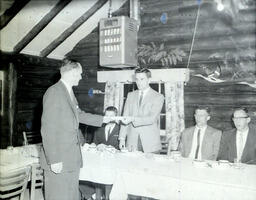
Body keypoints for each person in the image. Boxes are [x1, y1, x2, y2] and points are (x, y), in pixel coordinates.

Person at [40, 59, 113, 200]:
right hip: (58, 158)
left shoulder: (68, 91)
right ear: (71, 73)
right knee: (57, 196)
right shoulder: (54, 92)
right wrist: (54, 159)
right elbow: (48, 129)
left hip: (71, 158)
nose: (80, 77)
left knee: (71, 196)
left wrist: (104, 119)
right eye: (79, 74)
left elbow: (79, 115)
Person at [119, 67, 164, 153]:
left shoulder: (158, 97)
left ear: (149, 80)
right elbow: (125, 117)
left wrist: (132, 119)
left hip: (150, 143)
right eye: (137, 79)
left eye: (142, 79)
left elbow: (151, 119)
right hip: (132, 142)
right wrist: (122, 138)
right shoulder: (130, 95)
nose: (138, 82)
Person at [93, 106, 120, 200]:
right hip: (100, 161)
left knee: (109, 185)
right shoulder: (99, 128)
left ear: (116, 116)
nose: (109, 117)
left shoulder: (121, 129)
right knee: (97, 180)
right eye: (107, 115)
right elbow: (95, 143)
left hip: (114, 163)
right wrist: (97, 146)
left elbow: (122, 148)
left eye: (111, 115)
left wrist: (109, 148)